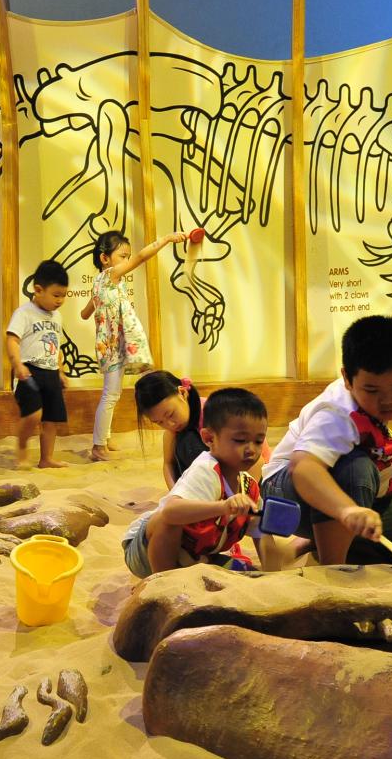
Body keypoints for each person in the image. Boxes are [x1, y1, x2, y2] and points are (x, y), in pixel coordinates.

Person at [260, 315, 392, 566]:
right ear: (348, 379)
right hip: (288, 492)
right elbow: (303, 467)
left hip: (365, 492)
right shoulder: (338, 411)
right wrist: (345, 511)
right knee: (355, 468)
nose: (388, 400)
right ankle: (333, 569)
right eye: (372, 390)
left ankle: (323, 540)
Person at [121, 388, 269, 577]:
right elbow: (169, 511)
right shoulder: (206, 469)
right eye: (240, 440)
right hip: (145, 552)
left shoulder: (249, 487)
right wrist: (223, 506)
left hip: (193, 554)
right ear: (208, 438)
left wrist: (274, 576)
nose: (251, 449)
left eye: (258, 441)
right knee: (169, 517)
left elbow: (262, 536)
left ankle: (192, 570)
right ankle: (161, 584)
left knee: (246, 572)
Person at [81, 228, 187, 462]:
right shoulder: (110, 276)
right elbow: (141, 258)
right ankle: (98, 446)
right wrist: (166, 239)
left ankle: (105, 438)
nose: (127, 261)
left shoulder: (100, 283)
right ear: (105, 258)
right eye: (122, 256)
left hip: (109, 345)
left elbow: (85, 313)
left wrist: (95, 311)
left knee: (113, 393)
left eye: (127, 256)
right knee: (110, 394)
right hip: (112, 346)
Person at [5, 260, 70, 469]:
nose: (60, 300)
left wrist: (60, 370)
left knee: (51, 419)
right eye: (56, 295)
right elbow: (12, 340)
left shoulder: (57, 316)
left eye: (64, 295)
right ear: (38, 290)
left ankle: (46, 458)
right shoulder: (24, 313)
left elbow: (56, 344)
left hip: (50, 372)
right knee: (34, 415)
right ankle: (22, 448)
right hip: (29, 372)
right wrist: (17, 365)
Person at [133, 370, 208, 489]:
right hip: (196, 491)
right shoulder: (173, 430)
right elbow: (168, 464)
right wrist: (174, 495)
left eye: (171, 414)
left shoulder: (213, 414)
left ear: (182, 393)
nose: (170, 424)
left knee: (188, 441)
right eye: (159, 422)